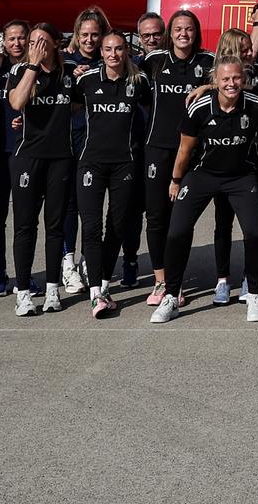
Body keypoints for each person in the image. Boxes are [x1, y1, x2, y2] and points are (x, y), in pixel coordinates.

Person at [152, 58, 258, 323]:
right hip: (202, 175)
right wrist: (175, 180)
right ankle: (171, 296)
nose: (231, 84)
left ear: (244, 79)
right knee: (177, 232)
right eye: (225, 79)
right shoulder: (199, 107)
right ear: (215, 81)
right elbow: (185, 150)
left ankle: (253, 293)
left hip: (240, 177)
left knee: (254, 233)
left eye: (236, 78)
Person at [139, 10, 213, 307]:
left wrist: (208, 86)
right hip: (158, 147)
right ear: (171, 32)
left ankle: (176, 280)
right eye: (178, 29)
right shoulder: (153, 60)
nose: (184, 33)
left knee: (180, 220)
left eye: (189, 29)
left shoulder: (207, 62)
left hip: (194, 152)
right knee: (157, 216)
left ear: (196, 32)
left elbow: (234, 81)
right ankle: (161, 281)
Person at [76, 31, 149, 318]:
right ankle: (96, 292)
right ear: (102, 52)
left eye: (119, 49)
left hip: (125, 164)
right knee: (91, 228)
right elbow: (63, 108)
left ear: (126, 52)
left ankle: (104, 283)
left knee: (117, 226)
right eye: (108, 49)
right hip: (91, 163)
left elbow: (155, 112)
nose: (113, 54)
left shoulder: (139, 82)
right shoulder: (86, 80)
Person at [8, 23, 76, 315]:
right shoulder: (20, 71)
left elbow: (80, 105)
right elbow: (17, 102)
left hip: (60, 157)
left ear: (56, 44)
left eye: (42, 42)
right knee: (25, 225)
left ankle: (52, 289)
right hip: (28, 157)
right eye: (32, 41)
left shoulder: (69, 73)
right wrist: (32, 66)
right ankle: (23, 291)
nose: (36, 45)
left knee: (55, 225)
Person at [56, 7, 111, 295]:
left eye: (95, 34)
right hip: (71, 141)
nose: (90, 40)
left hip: (101, 145)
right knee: (70, 205)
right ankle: (68, 262)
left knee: (94, 207)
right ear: (76, 36)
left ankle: (90, 260)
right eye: (84, 34)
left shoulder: (113, 61)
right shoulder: (64, 62)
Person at [0, 19, 29, 297]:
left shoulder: (37, 69)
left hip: (27, 152)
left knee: (25, 220)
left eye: (21, 38)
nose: (16, 43)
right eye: (11, 38)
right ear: (3, 41)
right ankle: (0, 274)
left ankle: (25, 275)